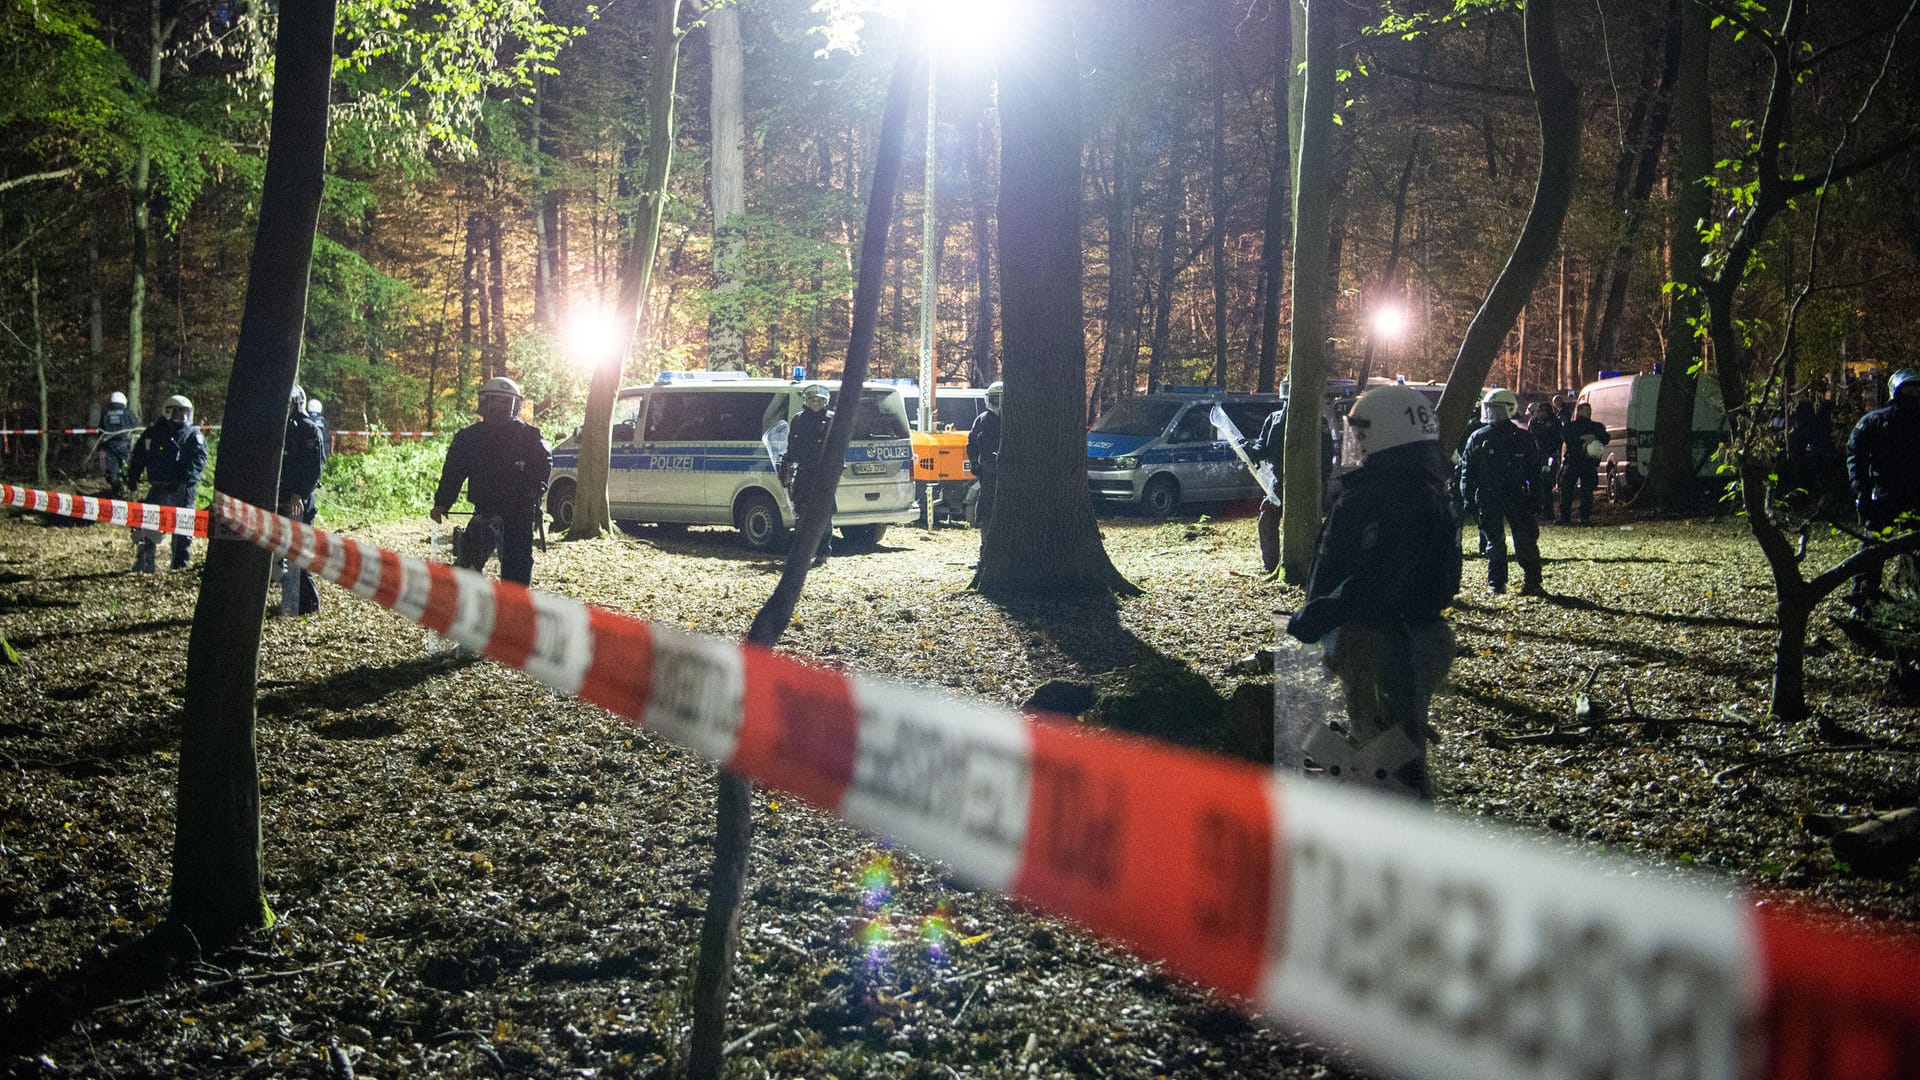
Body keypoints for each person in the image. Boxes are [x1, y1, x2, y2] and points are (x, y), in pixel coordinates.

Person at [1285, 384, 1462, 800]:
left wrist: (1320, 614)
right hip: (1397, 636)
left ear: (1386, 435)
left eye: (1361, 435)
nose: (1355, 445)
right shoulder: (1416, 487)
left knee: (1388, 756)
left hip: (1389, 642)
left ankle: (1397, 836)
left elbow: (1378, 578)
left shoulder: (1394, 495)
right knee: (1391, 744)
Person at [431, 377, 552, 585]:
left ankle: (512, 614)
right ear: (486, 402)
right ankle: (470, 608)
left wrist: (533, 490)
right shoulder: (469, 438)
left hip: (519, 514)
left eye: (507, 402)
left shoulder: (530, 436)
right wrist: (442, 503)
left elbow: (543, 467)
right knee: (467, 565)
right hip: (484, 511)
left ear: (516, 404)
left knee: (517, 573)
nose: (502, 407)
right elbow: (453, 472)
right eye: (497, 401)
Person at [1846, 368, 1920, 606]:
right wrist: (1861, 491)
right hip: (1884, 495)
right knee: (1872, 548)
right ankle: (1862, 598)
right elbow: (1855, 454)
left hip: (1916, 496)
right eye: (1907, 391)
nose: (1912, 396)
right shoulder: (1876, 422)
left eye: (1916, 391)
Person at [1461, 389, 1545, 596]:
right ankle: (1496, 583)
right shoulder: (1478, 437)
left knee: (1525, 540)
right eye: (1489, 409)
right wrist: (1468, 497)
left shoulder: (1522, 437)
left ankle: (1532, 581)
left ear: (1509, 410)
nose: (1491, 414)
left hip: (1516, 495)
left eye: (1496, 409)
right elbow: (1467, 470)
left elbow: (1534, 471)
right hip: (1488, 496)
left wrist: (1536, 497)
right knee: (1494, 543)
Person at [126, 395, 207, 572]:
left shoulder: (193, 435)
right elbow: (139, 457)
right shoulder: (153, 434)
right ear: (168, 412)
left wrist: (185, 479)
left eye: (185, 413)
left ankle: (179, 565)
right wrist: (133, 476)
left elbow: (199, 460)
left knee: (183, 528)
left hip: (183, 489)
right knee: (148, 523)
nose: (182, 417)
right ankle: (145, 562)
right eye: (178, 413)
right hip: (159, 486)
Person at [277, 385, 328, 614]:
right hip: (282, 496)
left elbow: (314, 468)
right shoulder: (282, 428)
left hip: (300, 500)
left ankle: (308, 603)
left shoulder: (308, 429)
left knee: (299, 549)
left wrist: (299, 492)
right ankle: (291, 601)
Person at [780, 383, 836, 566]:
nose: (816, 403)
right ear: (806, 401)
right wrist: (786, 464)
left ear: (825, 401)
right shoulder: (798, 420)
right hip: (803, 473)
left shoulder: (831, 420)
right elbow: (792, 446)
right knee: (801, 516)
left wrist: (834, 470)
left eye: (820, 400)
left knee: (824, 516)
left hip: (823, 475)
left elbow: (838, 448)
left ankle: (823, 553)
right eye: (812, 399)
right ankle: (802, 555)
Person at [1559, 400, 1610, 524]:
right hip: (1575, 460)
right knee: (1567, 489)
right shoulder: (1572, 426)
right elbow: (1568, 438)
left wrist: (1593, 437)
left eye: (1589, 410)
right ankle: (1566, 517)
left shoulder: (1595, 427)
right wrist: (1584, 438)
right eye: (1586, 410)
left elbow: (1606, 438)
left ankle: (1583, 517)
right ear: (1579, 411)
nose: (1588, 413)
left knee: (1586, 491)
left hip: (1587, 462)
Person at [968, 380, 1004, 532]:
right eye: (995, 399)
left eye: (1002, 399)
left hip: (1010, 469)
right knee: (986, 501)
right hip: (989, 468)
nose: (999, 403)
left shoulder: (1016, 420)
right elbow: (972, 443)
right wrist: (974, 463)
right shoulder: (983, 420)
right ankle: (985, 530)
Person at [1525, 400, 1562, 519]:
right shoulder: (1535, 422)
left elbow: (1554, 439)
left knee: (1545, 484)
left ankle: (1546, 511)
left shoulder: (1553, 423)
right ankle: (1538, 509)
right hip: (1539, 457)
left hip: (1546, 456)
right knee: (1537, 483)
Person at [100, 391, 141, 497]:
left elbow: (101, 429)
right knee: (128, 467)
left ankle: (116, 490)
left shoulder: (105, 414)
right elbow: (136, 427)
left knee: (112, 469)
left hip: (110, 445)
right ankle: (131, 490)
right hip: (124, 445)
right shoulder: (128, 413)